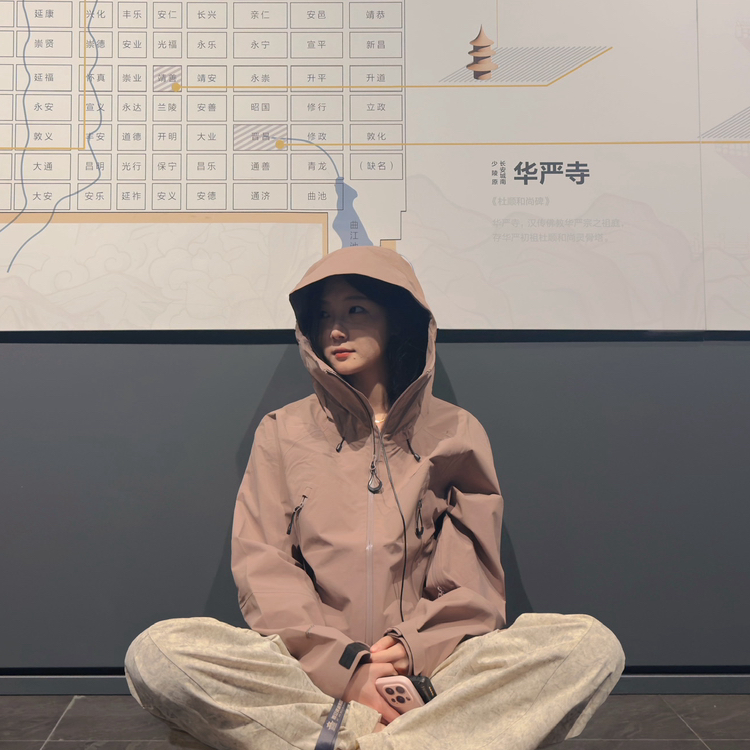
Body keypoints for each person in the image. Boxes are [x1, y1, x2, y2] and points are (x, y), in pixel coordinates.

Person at [125, 245, 625, 750]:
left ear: (397, 319)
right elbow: (265, 568)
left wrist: (409, 650)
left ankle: (346, 739)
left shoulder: (456, 432)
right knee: (158, 653)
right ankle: (404, 737)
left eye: (355, 309)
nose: (335, 330)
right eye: (324, 315)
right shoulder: (282, 431)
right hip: (308, 672)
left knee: (588, 646)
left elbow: (470, 584)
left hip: (430, 673)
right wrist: (349, 669)